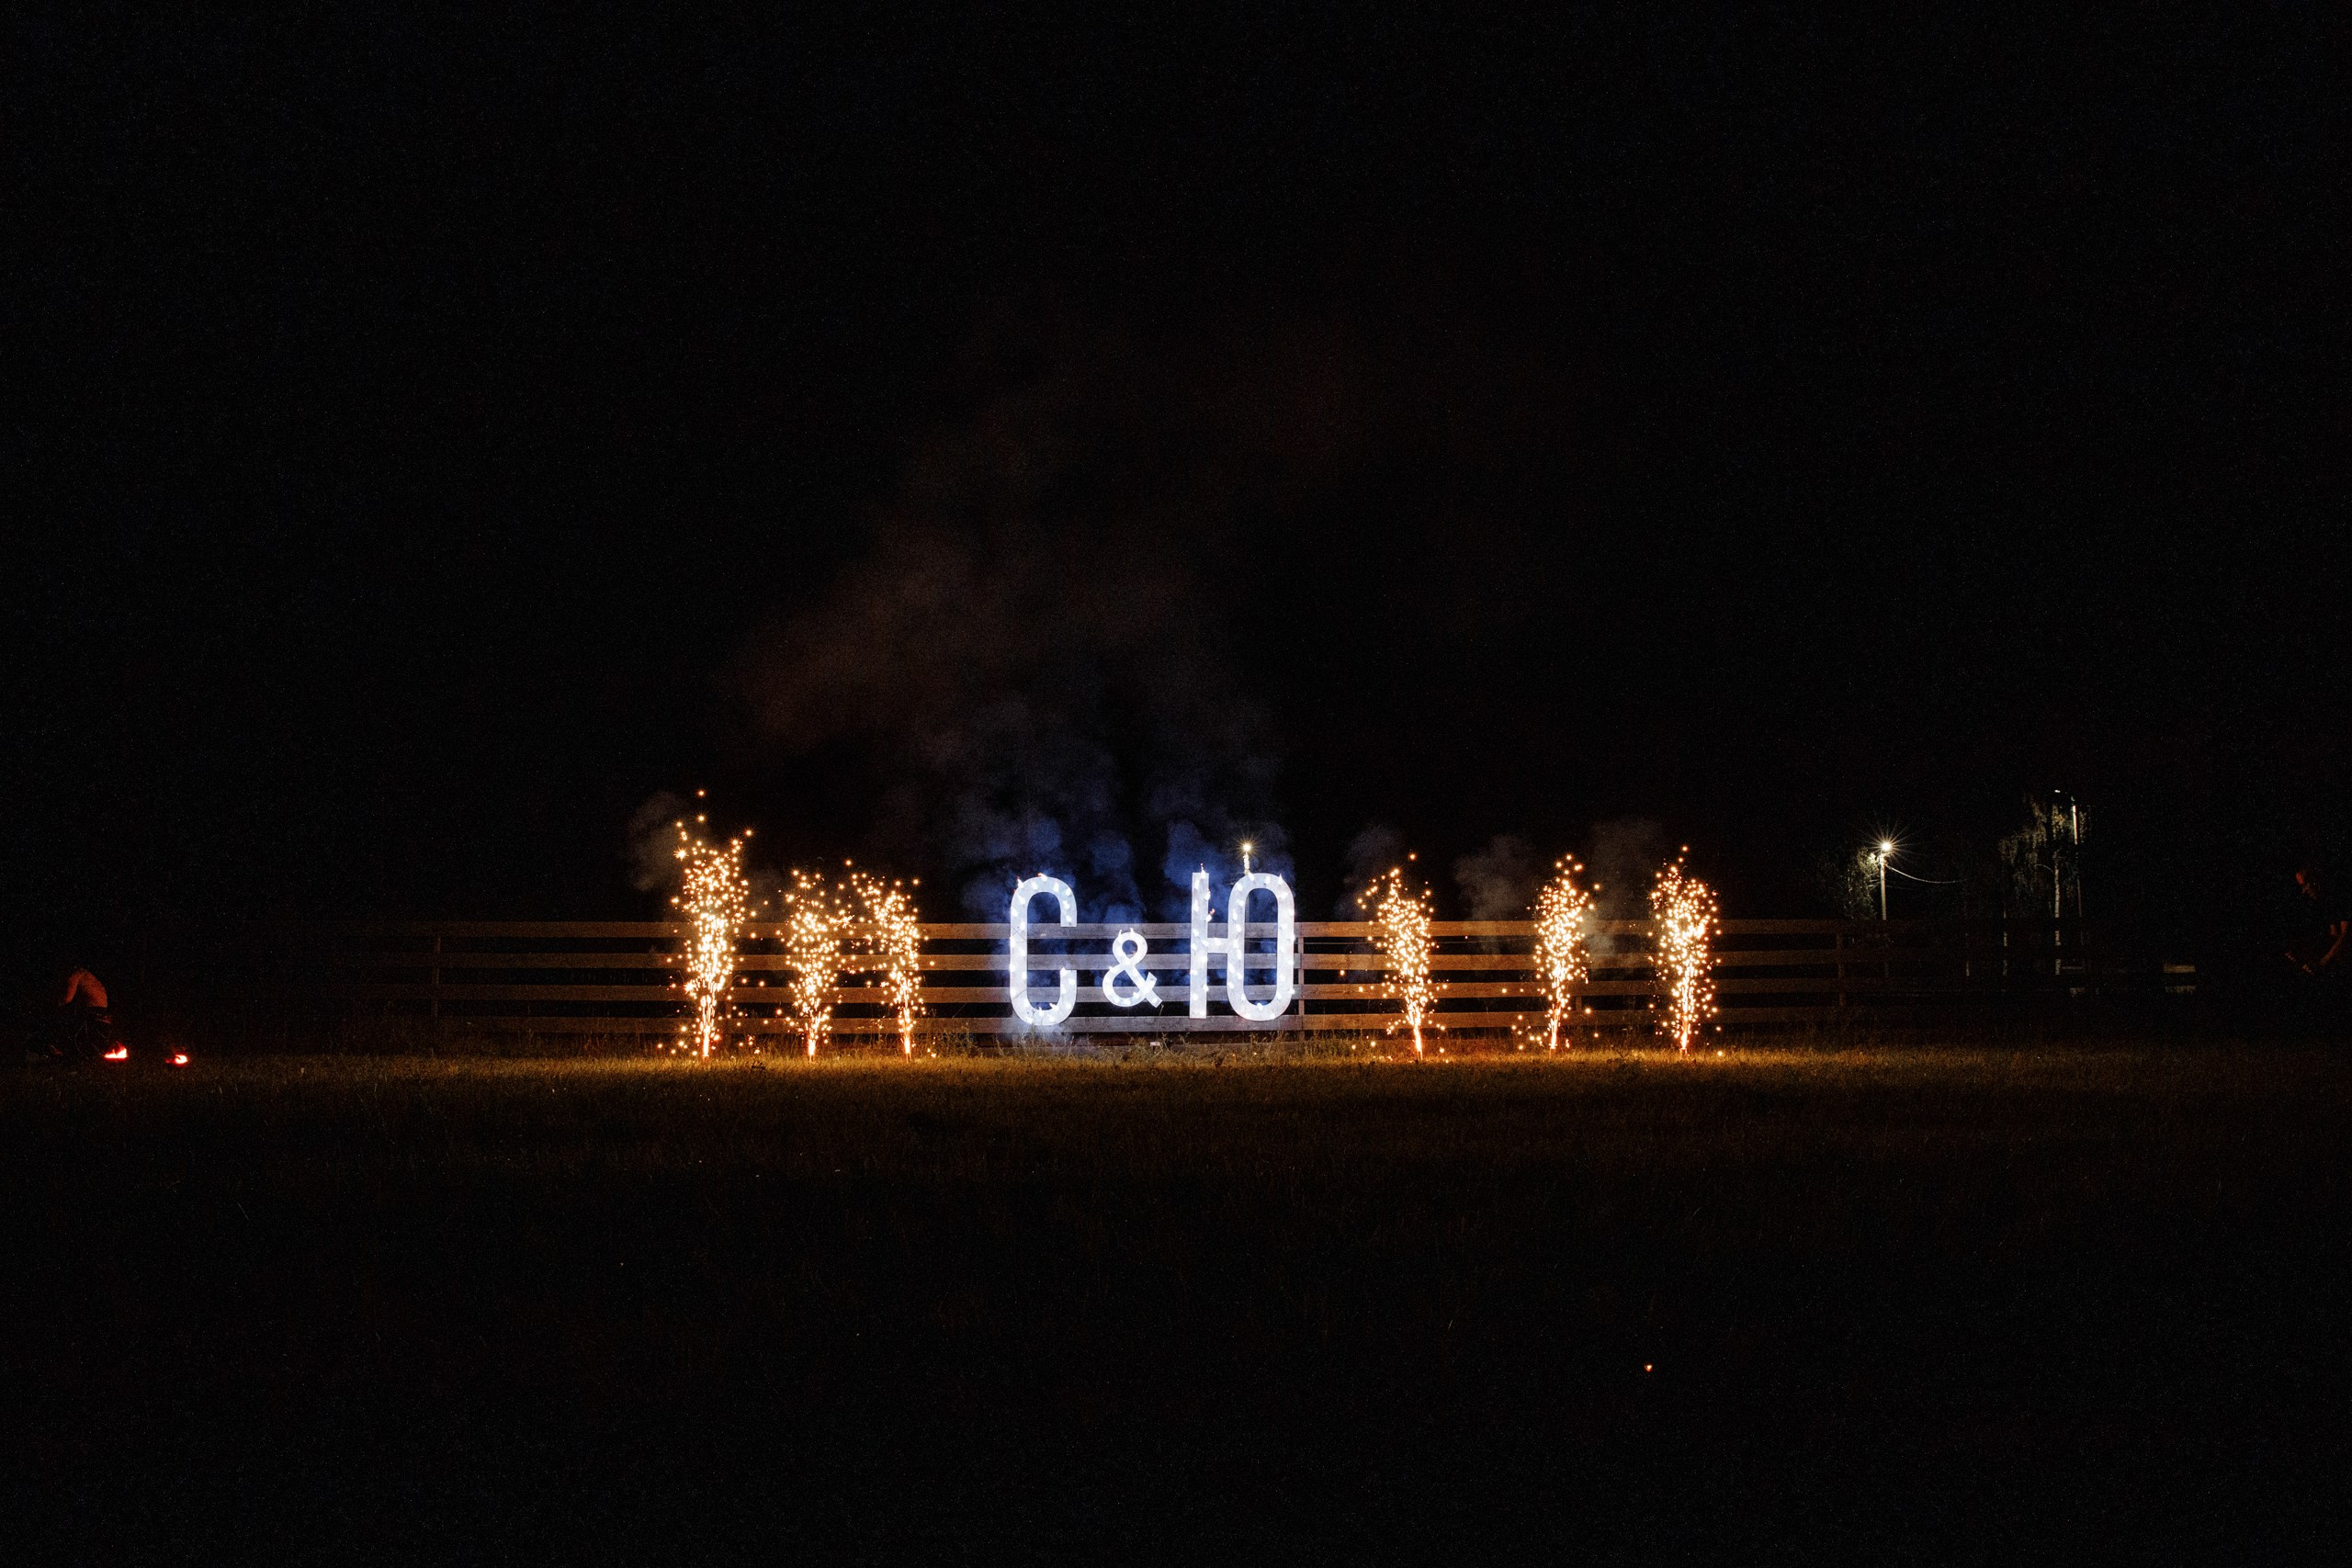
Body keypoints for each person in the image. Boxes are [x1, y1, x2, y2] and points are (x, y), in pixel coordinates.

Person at [2287, 863, 2350, 976]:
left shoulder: (2342, 894)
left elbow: (2346, 936)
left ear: (2315, 881)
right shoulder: (2327, 901)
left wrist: (2322, 963)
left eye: (2305, 885)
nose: (2304, 891)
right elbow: (2334, 935)